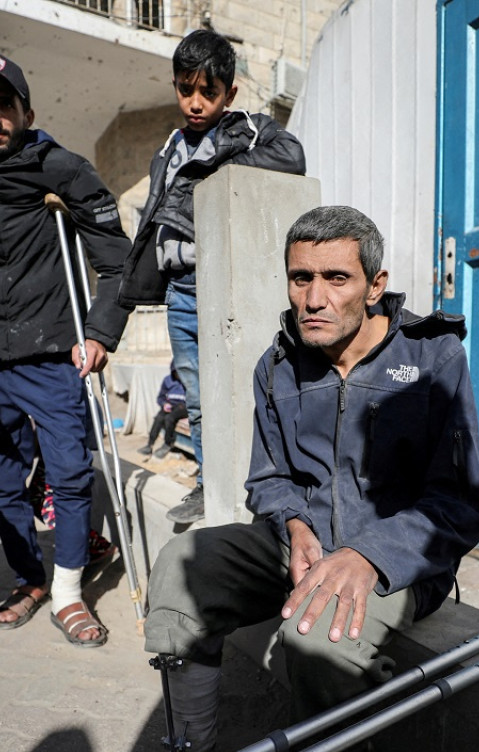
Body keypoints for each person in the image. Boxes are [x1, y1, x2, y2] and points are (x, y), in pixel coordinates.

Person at [87, 207, 479, 752]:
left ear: (375, 284)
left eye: (336, 278)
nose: (314, 298)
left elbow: (462, 502)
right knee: (184, 566)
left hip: (394, 558)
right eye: (300, 278)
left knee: (319, 635)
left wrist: (366, 555)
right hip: (298, 546)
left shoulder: (432, 356)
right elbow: (267, 479)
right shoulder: (277, 365)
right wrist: (295, 523)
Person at [0, 52, 132, 645]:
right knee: (4, 483)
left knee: (68, 476)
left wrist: (99, 334)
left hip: (52, 353)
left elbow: (116, 260)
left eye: (4, 104)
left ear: (25, 112)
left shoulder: (63, 169)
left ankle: (67, 592)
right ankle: (28, 578)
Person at [116, 29, 307, 524]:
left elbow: (292, 157)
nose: (196, 102)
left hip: (225, 283)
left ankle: (257, 486)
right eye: (186, 89)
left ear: (230, 94)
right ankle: (208, 484)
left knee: (245, 391)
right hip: (180, 291)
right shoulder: (170, 147)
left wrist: (217, 165)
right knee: (196, 395)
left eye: (209, 92)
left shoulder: (247, 130)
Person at [139, 362, 186, 458]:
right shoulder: (167, 380)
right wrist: (164, 404)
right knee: (159, 418)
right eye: (176, 372)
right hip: (170, 405)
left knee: (169, 418)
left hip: (183, 406)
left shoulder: (188, 380)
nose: (178, 374)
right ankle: (150, 445)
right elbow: (160, 397)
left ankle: (168, 443)